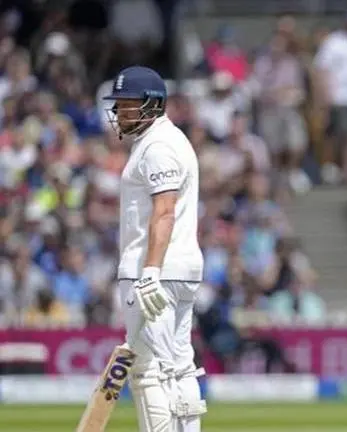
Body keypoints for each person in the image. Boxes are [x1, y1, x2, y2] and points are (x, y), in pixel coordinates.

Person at [104, 65, 206, 432]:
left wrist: (150, 272)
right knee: (179, 365)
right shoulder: (164, 140)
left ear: (151, 104)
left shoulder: (159, 146)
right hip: (178, 269)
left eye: (126, 104)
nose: (118, 112)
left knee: (151, 371)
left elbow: (164, 211)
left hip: (153, 270)